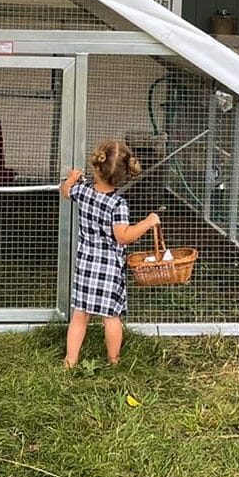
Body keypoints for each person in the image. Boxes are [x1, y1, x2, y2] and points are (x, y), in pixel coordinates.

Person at [61, 138, 160, 367]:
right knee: (110, 316)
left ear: (96, 167)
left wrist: (73, 178)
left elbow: (66, 192)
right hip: (108, 268)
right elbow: (123, 236)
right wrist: (147, 222)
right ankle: (114, 360)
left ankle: (70, 359)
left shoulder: (84, 191)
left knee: (80, 314)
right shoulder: (118, 205)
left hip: (86, 262)